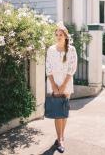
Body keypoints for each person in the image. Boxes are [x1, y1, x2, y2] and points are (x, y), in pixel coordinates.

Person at [45, 21, 78, 153]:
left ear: (65, 36)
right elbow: (48, 68)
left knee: (63, 112)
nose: (58, 36)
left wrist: (63, 85)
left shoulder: (71, 50)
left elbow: (72, 68)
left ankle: (61, 138)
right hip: (54, 83)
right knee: (57, 113)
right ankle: (60, 138)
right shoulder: (51, 50)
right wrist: (53, 85)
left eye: (61, 34)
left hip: (66, 83)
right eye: (57, 34)